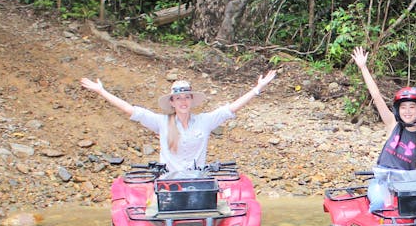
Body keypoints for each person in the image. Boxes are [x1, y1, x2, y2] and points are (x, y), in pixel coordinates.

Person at [80, 71, 276, 175]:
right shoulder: (161, 122)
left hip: (197, 180)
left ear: (191, 100)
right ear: (172, 102)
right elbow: (131, 110)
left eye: (186, 97)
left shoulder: (204, 121)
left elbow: (231, 108)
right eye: (178, 98)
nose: (183, 101)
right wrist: (101, 91)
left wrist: (257, 89)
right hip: (168, 182)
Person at [351, 47, 416, 208]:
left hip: (405, 185)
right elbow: (376, 96)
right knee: (382, 203)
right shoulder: (392, 123)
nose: (407, 111)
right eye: (403, 107)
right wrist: (363, 67)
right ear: (398, 110)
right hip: (381, 182)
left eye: (412, 107)